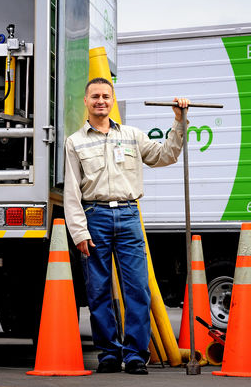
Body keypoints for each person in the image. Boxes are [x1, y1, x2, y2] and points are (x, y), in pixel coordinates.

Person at [64, 77, 189, 375]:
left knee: (137, 289)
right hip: (95, 217)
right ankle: (108, 354)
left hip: (130, 216)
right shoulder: (75, 142)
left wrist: (179, 122)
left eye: (106, 96)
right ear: (86, 101)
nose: (100, 101)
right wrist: (79, 232)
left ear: (113, 100)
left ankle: (134, 355)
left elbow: (166, 156)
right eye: (95, 96)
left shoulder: (132, 136)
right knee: (98, 290)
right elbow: (71, 192)